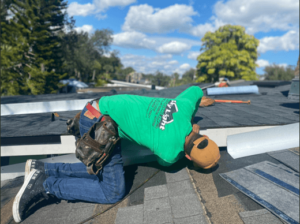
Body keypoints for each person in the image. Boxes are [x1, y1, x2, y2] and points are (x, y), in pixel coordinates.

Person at [12, 86, 220, 223]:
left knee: (103, 168)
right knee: (112, 191)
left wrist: (197, 104)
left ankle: (44, 168)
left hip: (98, 106)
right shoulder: (170, 152)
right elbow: (165, 162)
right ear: (189, 158)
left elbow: (194, 90)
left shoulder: (184, 106)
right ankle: (46, 185)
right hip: (99, 124)